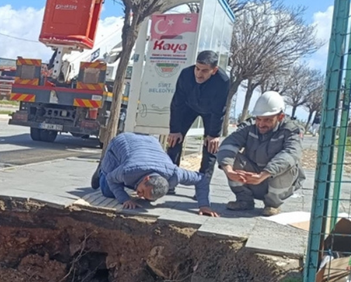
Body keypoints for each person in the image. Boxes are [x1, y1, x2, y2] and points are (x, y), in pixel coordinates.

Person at [216, 91, 304, 216]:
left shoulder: (291, 130)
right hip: (251, 177)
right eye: (259, 119)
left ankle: (272, 204)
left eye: (268, 120)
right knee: (230, 158)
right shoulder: (249, 127)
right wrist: (228, 170)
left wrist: (264, 174)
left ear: (280, 117)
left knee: (290, 166)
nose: (261, 124)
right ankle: (244, 201)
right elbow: (229, 144)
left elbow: (291, 153)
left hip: (273, 179)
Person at [96, 132, 218, 216]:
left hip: (150, 142)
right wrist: (125, 200)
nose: (139, 195)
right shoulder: (128, 170)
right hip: (122, 142)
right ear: (147, 179)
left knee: (128, 186)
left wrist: (204, 205)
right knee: (108, 190)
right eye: (142, 191)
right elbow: (111, 178)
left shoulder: (175, 174)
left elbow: (201, 179)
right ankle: (101, 170)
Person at [166, 50, 230, 180]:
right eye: (197, 68)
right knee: (174, 140)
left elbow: (219, 109)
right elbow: (177, 103)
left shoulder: (223, 81)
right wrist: (175, 130)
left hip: (211, 112)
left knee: (211, 145)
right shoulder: (186, 74)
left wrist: (214, 134)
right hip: (188, 107)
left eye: (204, 71)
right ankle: (170, 178)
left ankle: (203, 183)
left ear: (214, 70)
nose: (199, 74)